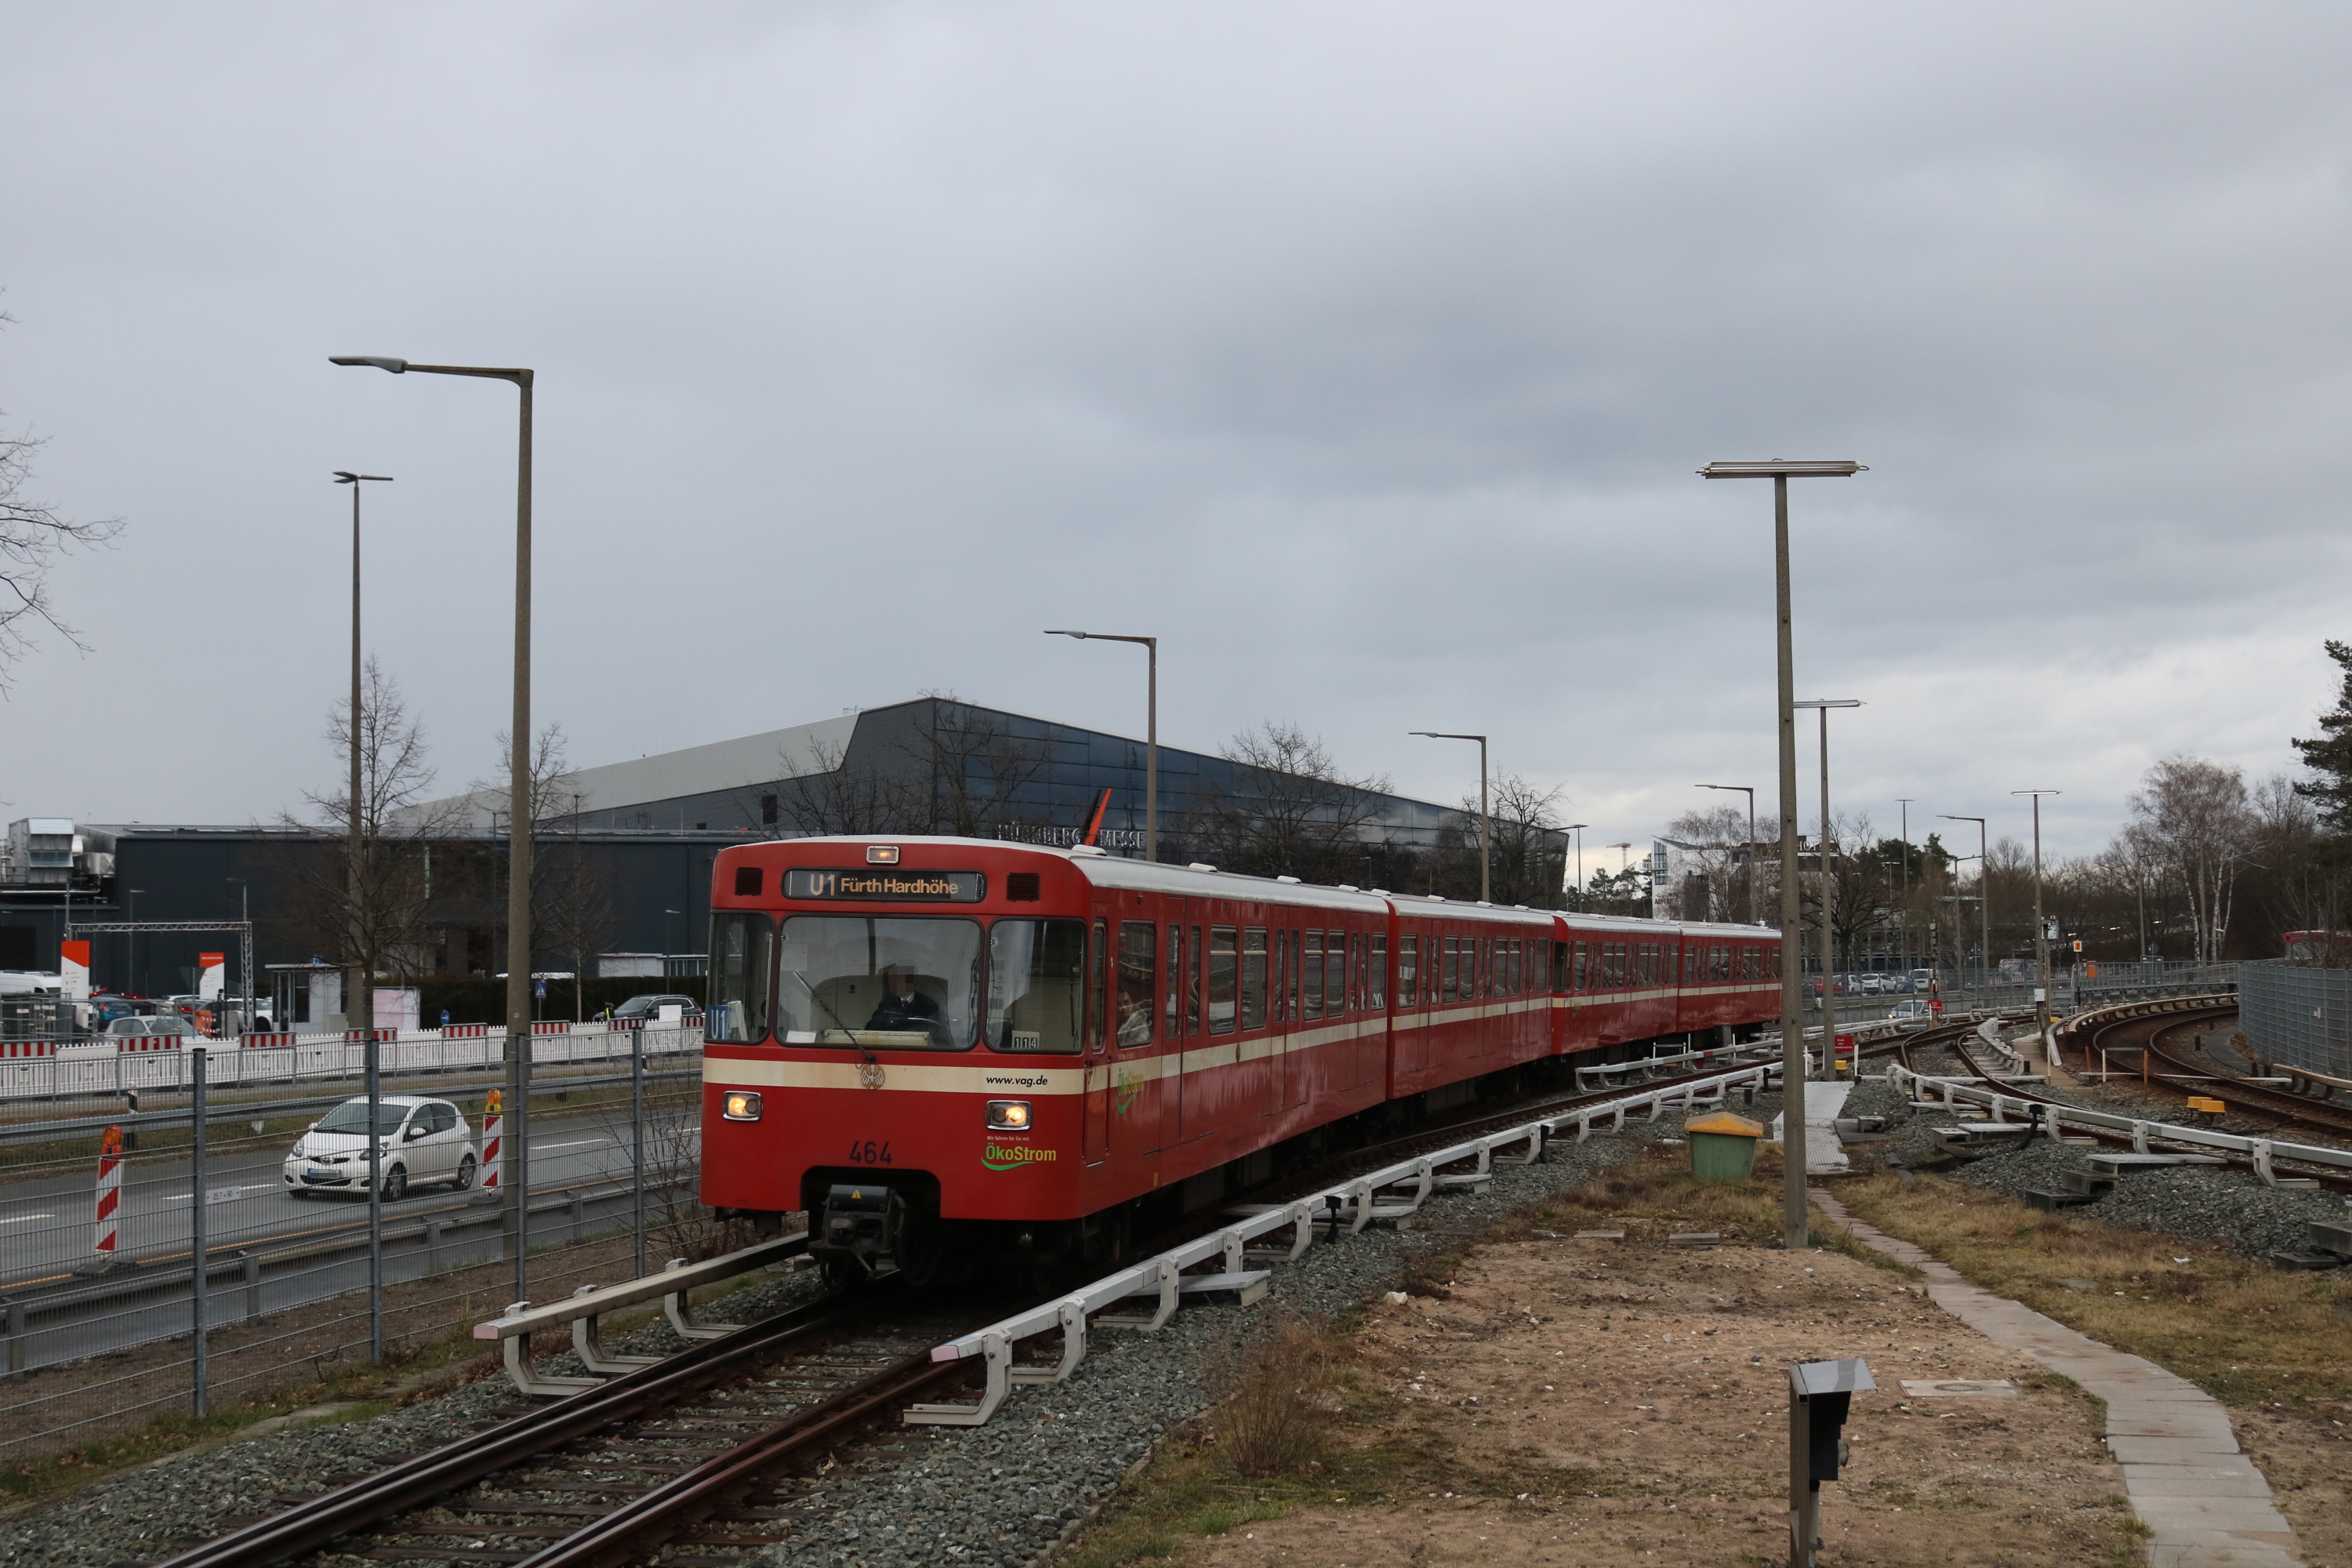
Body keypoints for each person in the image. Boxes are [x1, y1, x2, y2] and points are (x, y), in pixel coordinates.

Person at [866, 963, 947, 1044]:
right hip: (890, 1047)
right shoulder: (887, 1003)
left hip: (916, 1049)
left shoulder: (929, 1005)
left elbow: (931, 1035)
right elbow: (872, 1030)